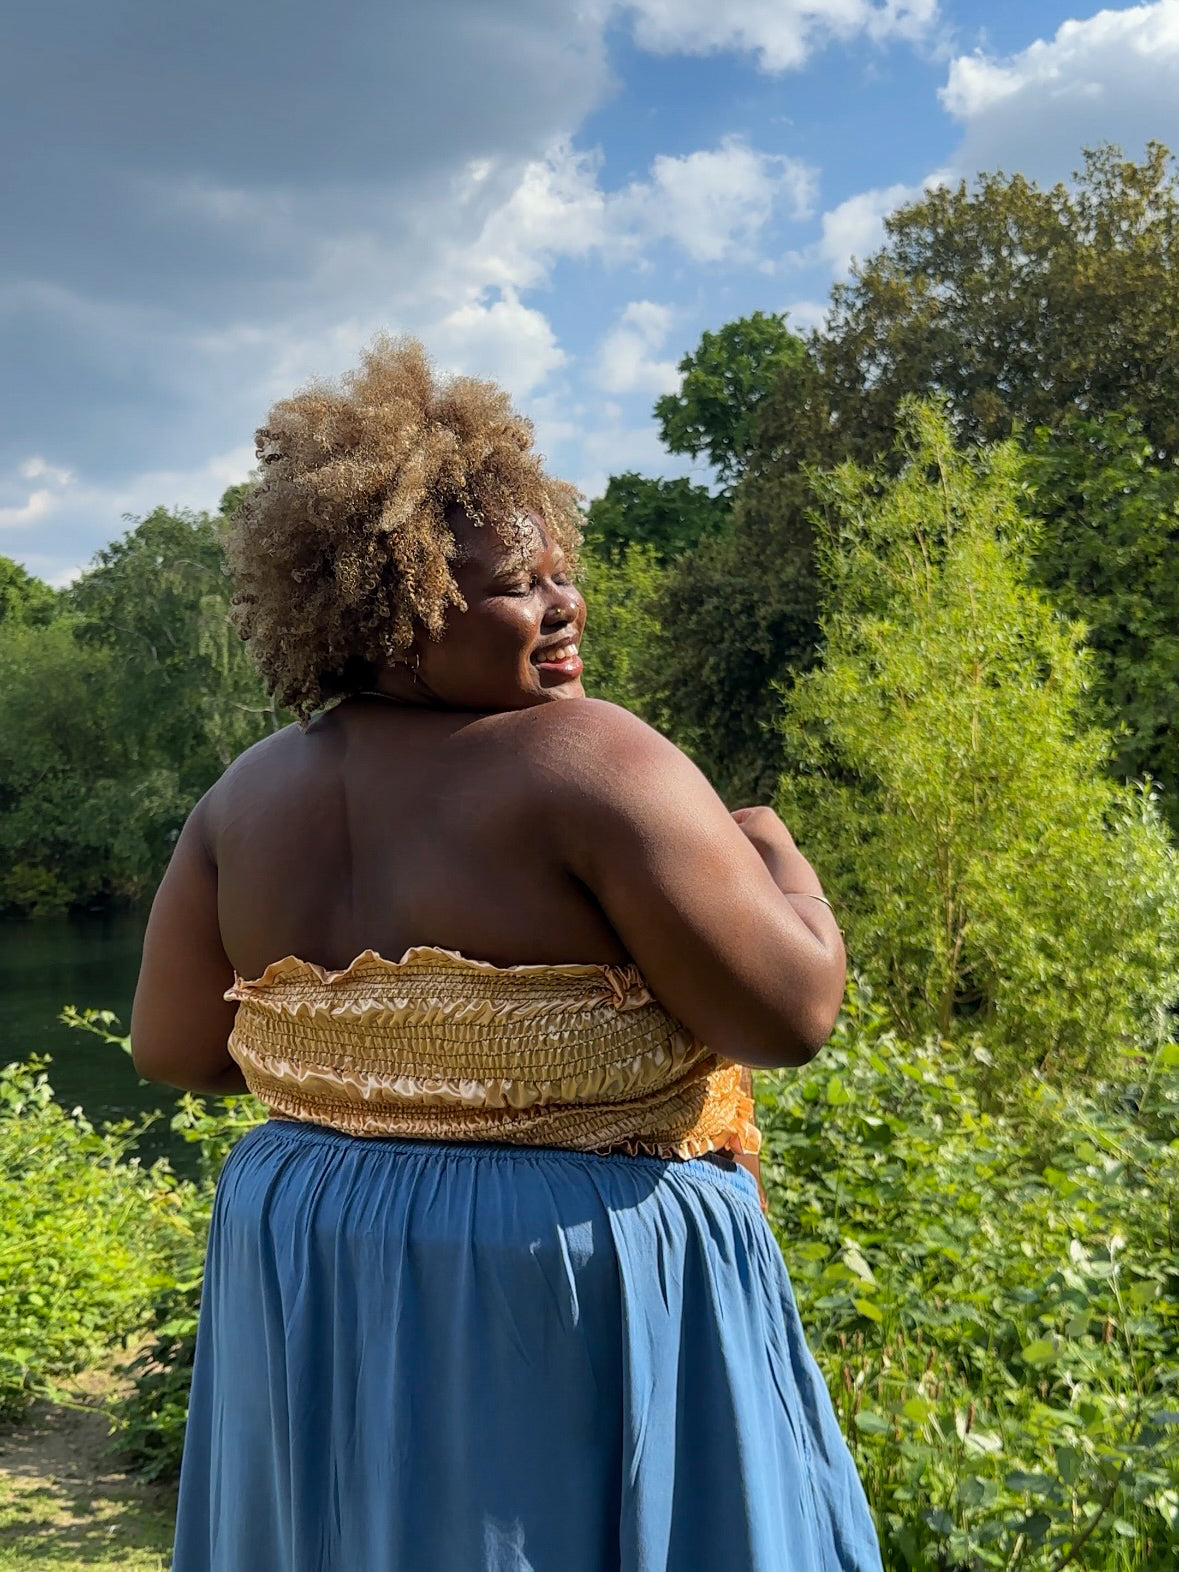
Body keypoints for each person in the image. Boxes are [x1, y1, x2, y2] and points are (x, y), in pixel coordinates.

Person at [132, 338, 883, 1571]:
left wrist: (380, 1081)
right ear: (393, 607)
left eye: (562, 573)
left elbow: (175, 1051)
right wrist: (776, 857)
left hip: (319, 1256)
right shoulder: (591, 762)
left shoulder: (244, 797)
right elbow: (790, 1016)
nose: (564, 604)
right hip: (549, 1293)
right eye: (517, 585)